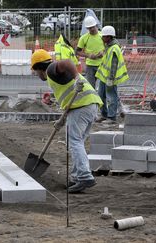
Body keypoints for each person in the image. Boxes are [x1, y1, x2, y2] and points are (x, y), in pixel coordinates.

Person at [31, 49, 103, 193]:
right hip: (88, 105)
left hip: (82, 106)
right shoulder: (54, 75)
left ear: (39, 67)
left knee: (74, 141)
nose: (36, 74)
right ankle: (77, 177)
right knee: (77, 142)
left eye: (35, 71)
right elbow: (69, 97)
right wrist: (62, 119)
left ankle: (84, 176)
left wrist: (77, 78)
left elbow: (67, 62)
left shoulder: (51, 69)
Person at [95, 25, 129, 124]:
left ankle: (112, 117)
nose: (102, 38)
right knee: (101, 96)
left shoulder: (114, 48)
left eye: (104, 37)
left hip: (110, 78)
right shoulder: (109, 47)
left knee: (111, 96)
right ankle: (104, 115)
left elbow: (114, 64)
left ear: (109, 37)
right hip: (104, 77)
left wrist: (111, 78)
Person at [76, 16, 105, 89]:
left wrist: (103, 52)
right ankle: (92, 100)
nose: (91, 29)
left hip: (102, 65)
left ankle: (103, 100)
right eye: (89, 28)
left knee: (103, 87)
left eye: (92, 27)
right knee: (91, 87)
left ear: (96, 25)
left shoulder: (103, 36)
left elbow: (109, 47)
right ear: (87, 28)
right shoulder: (84, 38)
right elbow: (77, 51)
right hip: (90, 66)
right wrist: (88, 55)